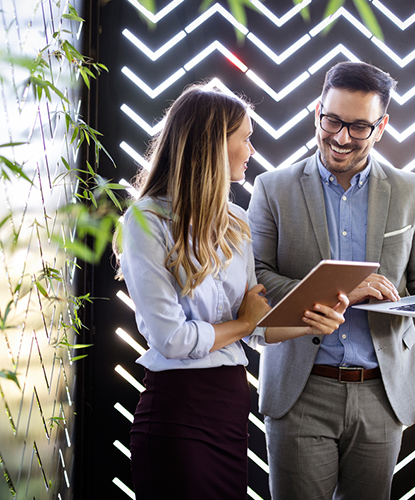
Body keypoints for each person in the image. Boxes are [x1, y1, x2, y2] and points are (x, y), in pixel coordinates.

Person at [247, 61, 415, 500]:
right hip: (300, 389)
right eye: (332, 121)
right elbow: (254, 278)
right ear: (317, 112)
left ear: (381, 126)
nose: (341, 137)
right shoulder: (273, 188)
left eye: (359, 127)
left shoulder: (413, 191)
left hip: (382, 394)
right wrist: (340, 293)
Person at [115, 83, 349, 500]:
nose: (252, 150)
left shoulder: (235, 222)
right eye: (245, 138)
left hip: (229, 411)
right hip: (178, 414)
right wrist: (243, 323)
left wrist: (317, 321)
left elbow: (257, 328)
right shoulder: (146, 222)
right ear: (212, 146)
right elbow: (172, 339)